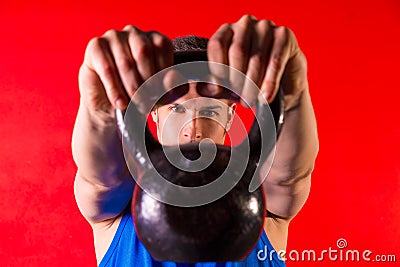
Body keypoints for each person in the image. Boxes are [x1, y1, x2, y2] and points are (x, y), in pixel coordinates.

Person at [72, 15, 319, 266]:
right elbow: (101, 180)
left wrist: (290, 95)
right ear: (154, 113)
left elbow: (289, 176)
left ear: (231, 116)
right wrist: (103, 107)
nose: (193, 130)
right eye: (177, 110)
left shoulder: (261, 202)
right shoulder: (120, 205)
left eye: (210, 112)